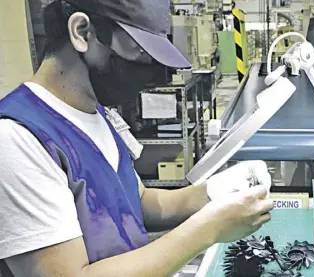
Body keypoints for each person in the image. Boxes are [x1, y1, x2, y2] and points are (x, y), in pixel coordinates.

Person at [0, 0, 273, 276]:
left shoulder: (96, 112)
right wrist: (208, 229)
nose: (147, 68)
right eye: (138, 50)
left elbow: (136, 202)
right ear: (82, 32)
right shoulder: (18, 139)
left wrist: (210, 192)